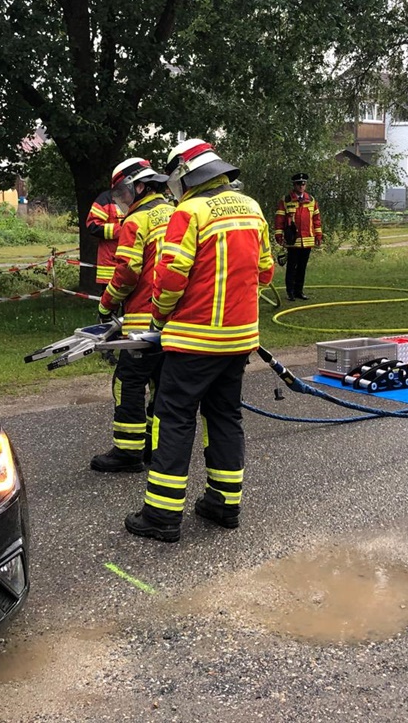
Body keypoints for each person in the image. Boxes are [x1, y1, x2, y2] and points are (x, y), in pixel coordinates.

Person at [124, 139, 274, 542]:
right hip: (239, 341)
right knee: (225, 416)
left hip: (192, 341)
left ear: (185, 175)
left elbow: (170, 278)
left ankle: (161, 516)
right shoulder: (253, 208)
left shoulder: (188, 213)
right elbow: (266, 273)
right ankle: (224, 505)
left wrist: (157, 316)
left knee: (173, 418)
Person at [92, 157, 174, 473]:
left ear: (139, 186)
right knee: (161, 383)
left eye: (124, 193)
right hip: (175, 321)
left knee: (127, 382)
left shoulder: (137, 221)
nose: (123, 201)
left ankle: (128, 452)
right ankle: (155, 448)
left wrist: (106, 304)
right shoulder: (176, 212)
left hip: (142, 320)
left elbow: (126, 272)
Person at [273, 172, 322, 300]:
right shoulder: (286, 200)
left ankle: (299, 291)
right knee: (291, 267)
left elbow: (316, 219)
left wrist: (318, 235)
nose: (301, 186)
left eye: (303, 184)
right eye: (299, 184)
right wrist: (279, 235)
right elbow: (279, 219)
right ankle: (290, 293)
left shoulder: (311, 200)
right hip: (293, 240)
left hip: (307, 240)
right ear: (294, 185)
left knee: (302, 268)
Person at [86, 185, 124, 287]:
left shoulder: (139, 199)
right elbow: (93, 226)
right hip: (110, 266)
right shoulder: (106, 198)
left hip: (134, 266)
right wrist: (122, 230)